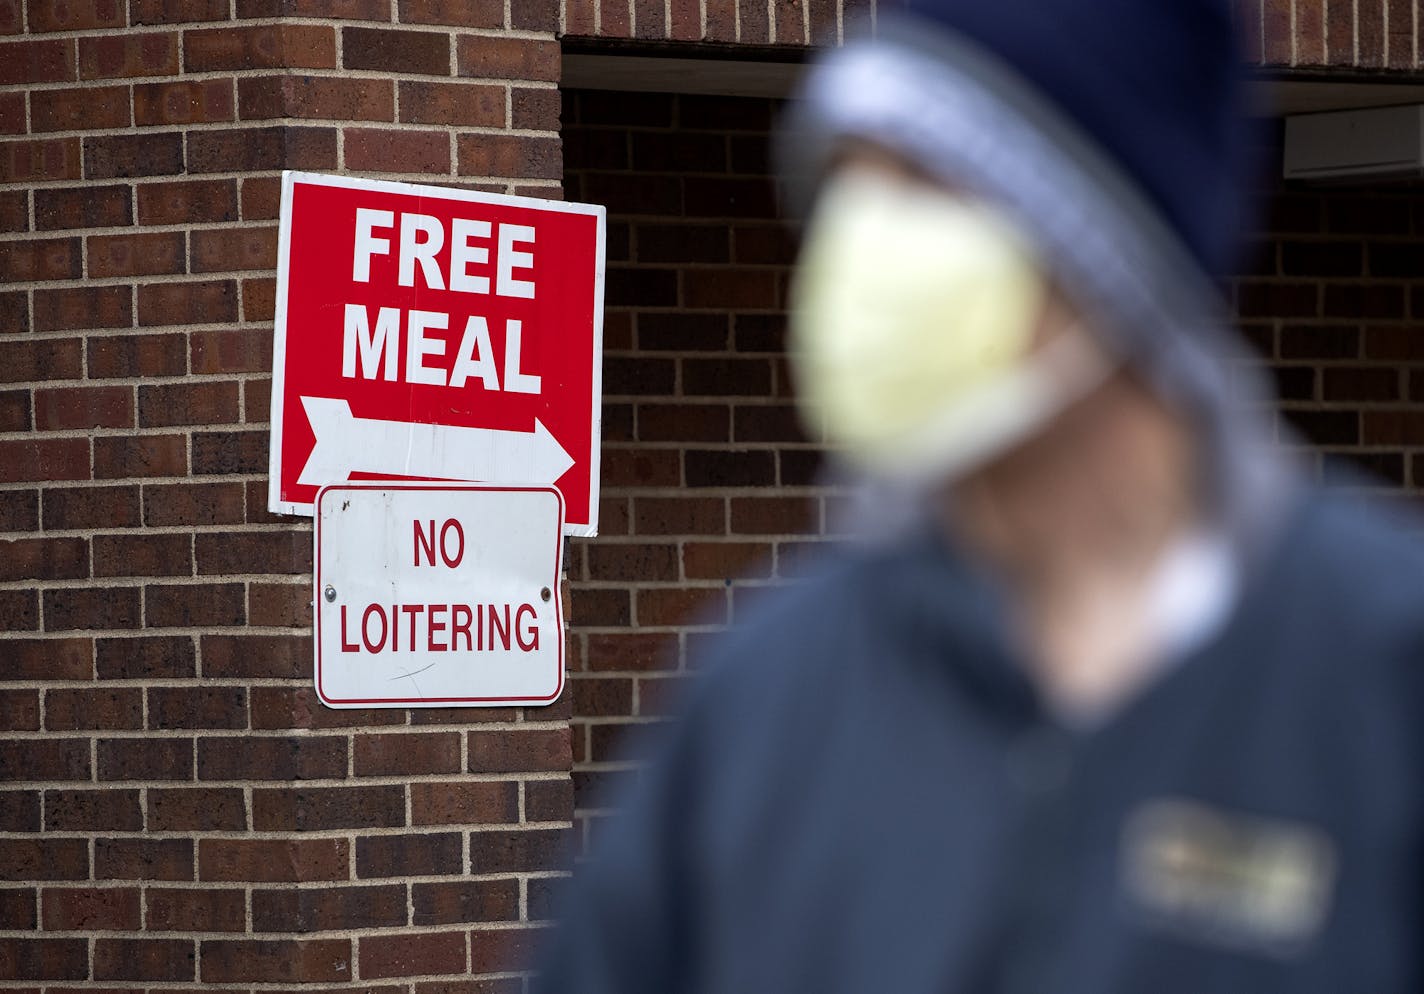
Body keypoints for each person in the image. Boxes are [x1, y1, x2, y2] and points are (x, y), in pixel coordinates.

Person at [532, 0, 1424, 990]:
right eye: (848, 181)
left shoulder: (1379, 664)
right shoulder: (764, 691)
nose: (863, 248)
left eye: (924, 180)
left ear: (1106, 249)